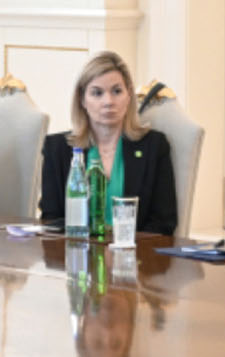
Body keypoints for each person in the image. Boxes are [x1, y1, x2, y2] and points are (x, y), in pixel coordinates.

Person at [39, 52, 178, 236]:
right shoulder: (57, 149)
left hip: (134, 251)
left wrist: (121, 245)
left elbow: (164, 223)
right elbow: (51, 220)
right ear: (82, 99)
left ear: (129, 96)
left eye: (117, 91)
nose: (108, 102)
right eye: (97, 93)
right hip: (76, 250)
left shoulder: (154, 146)